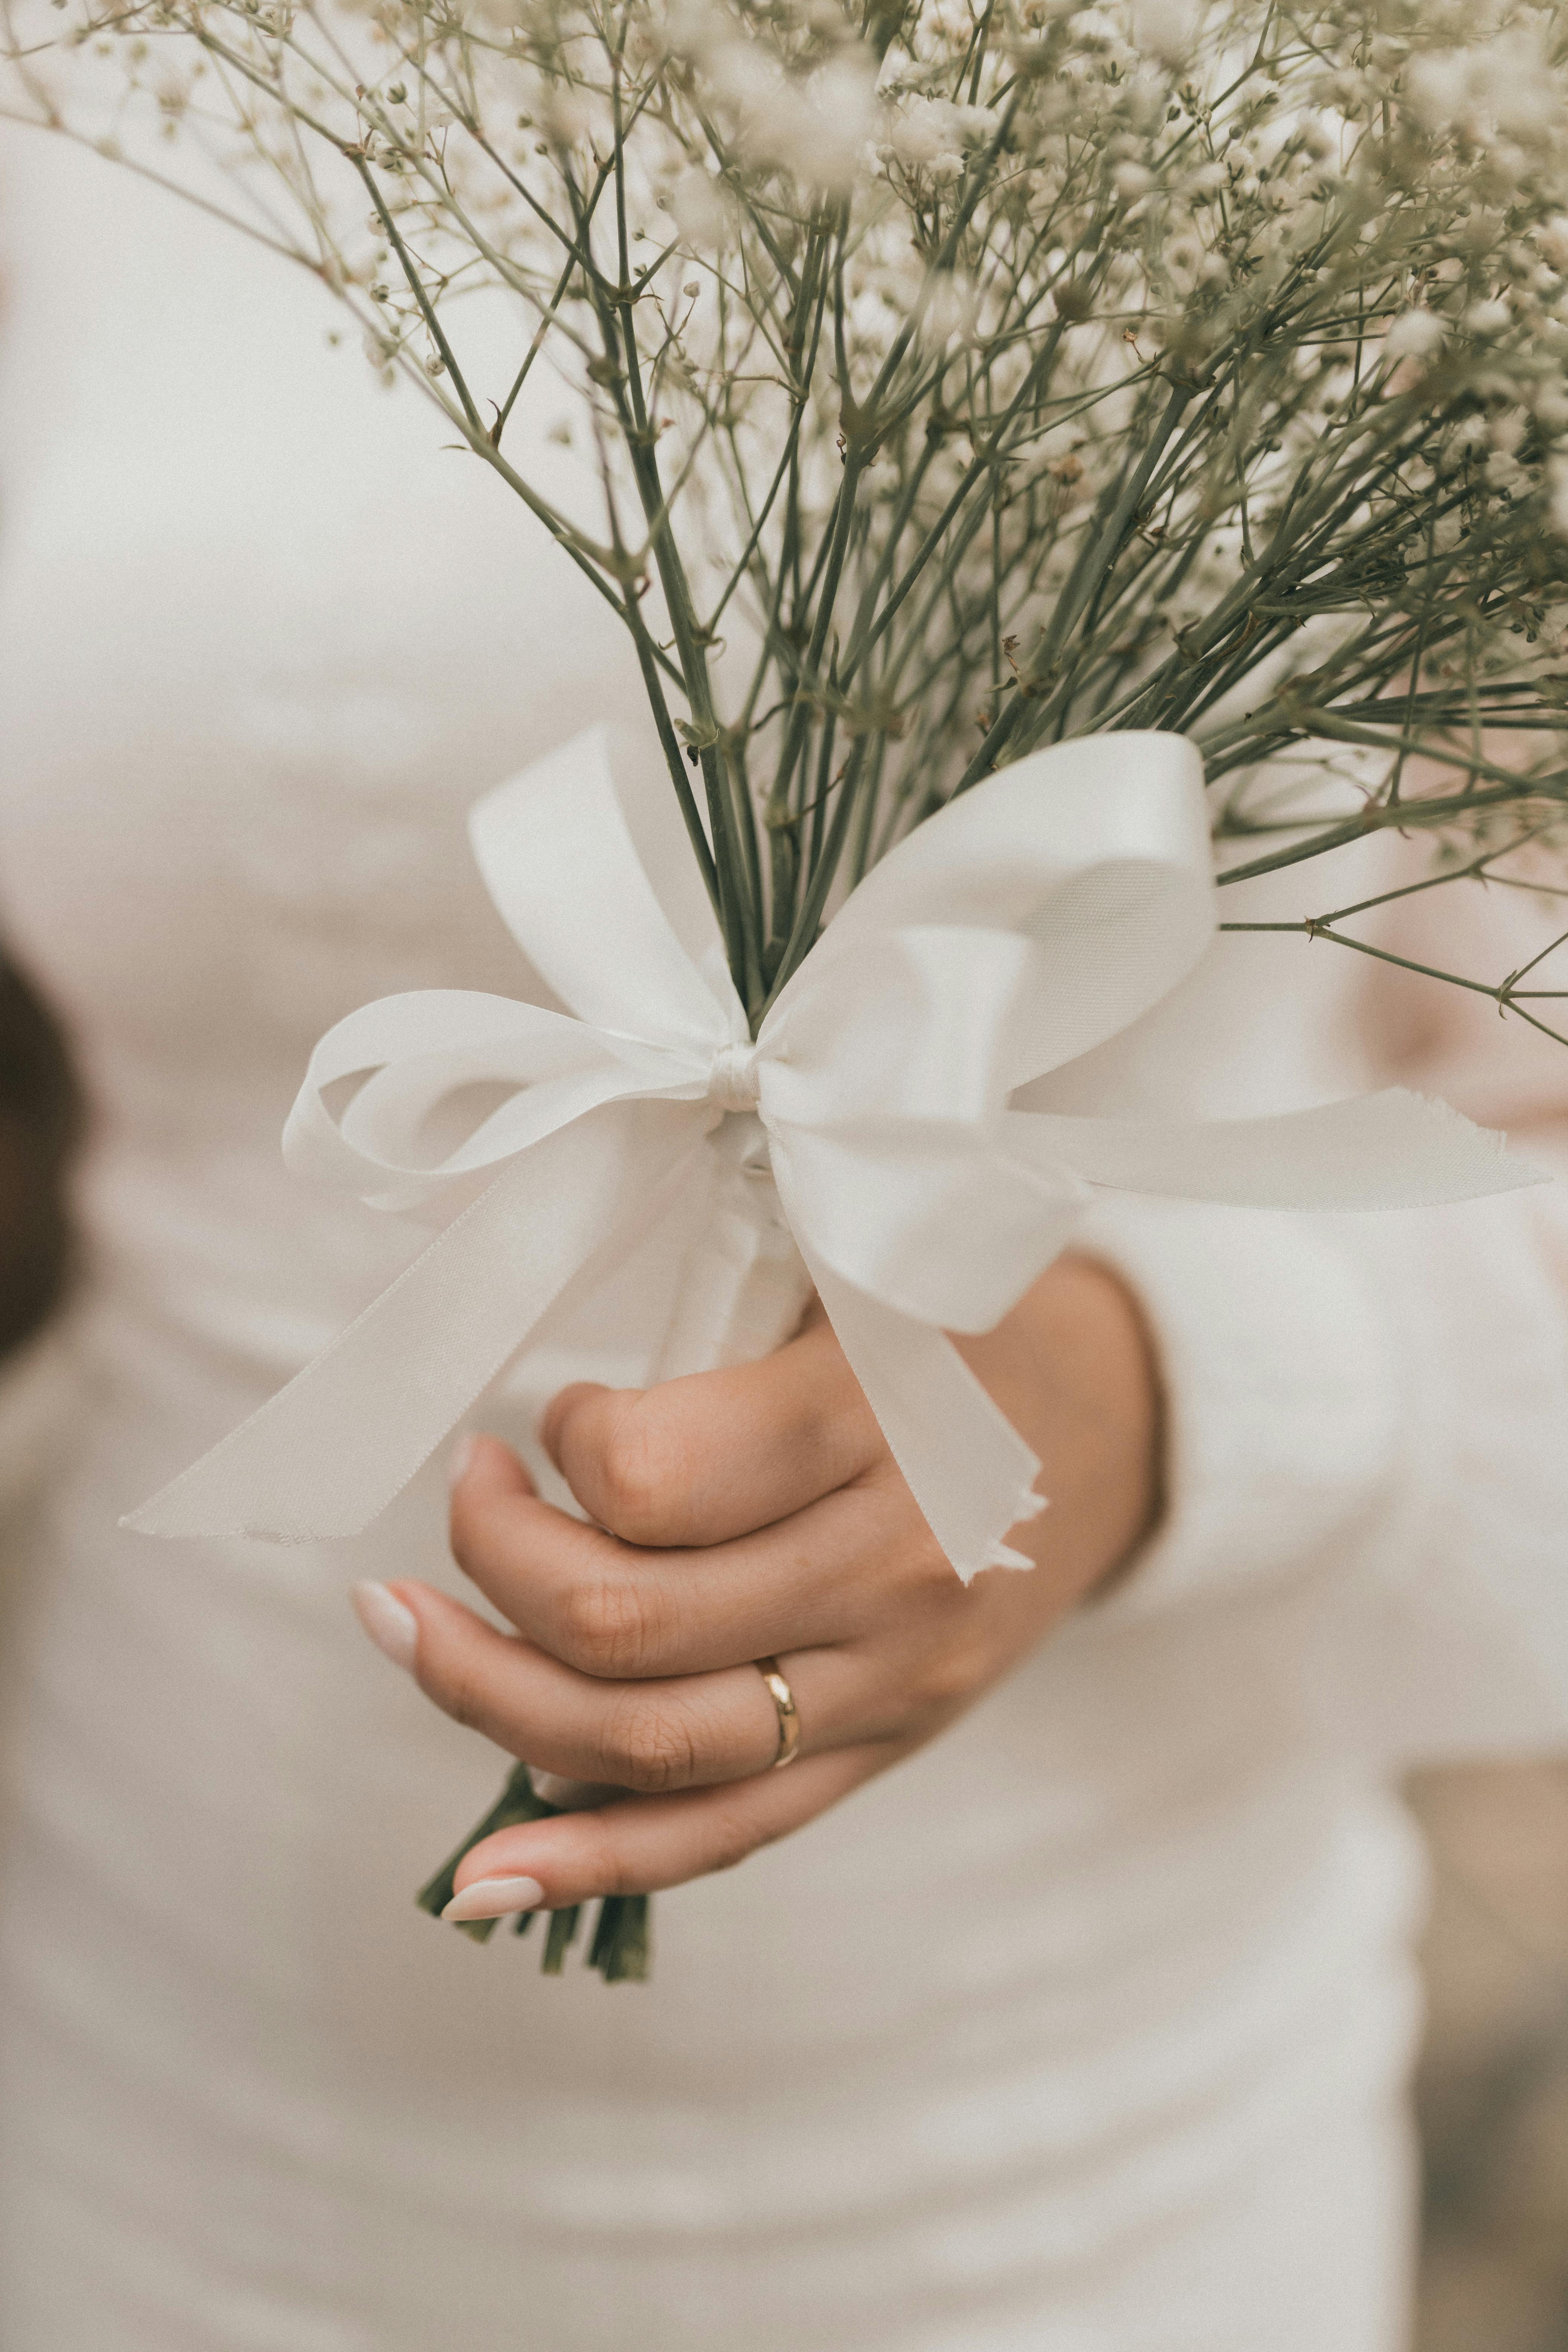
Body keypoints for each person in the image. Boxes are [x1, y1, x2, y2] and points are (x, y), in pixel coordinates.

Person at [0, 128, 1565, 2352]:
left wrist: (1171, 1392)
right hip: (148, 2104)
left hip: (1066, 2187)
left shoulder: (1427, 100)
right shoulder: (101, 97)